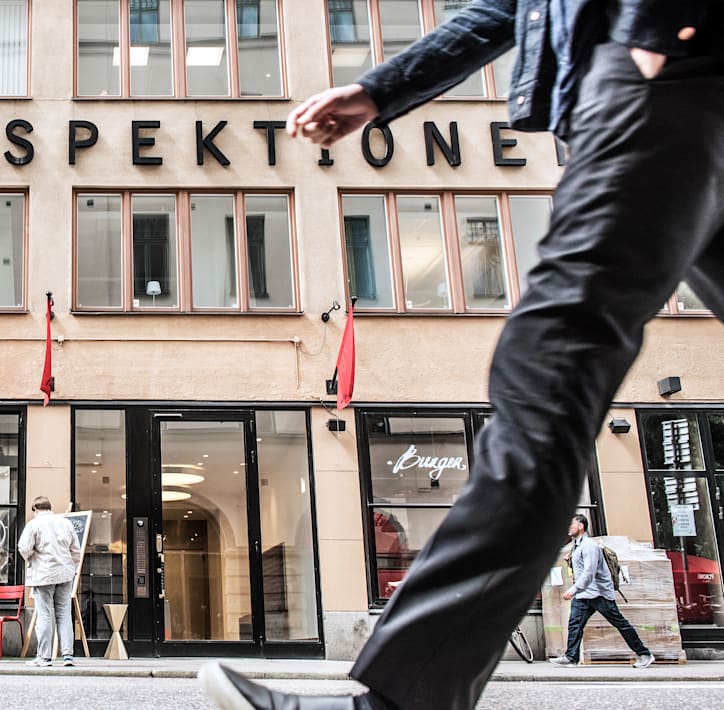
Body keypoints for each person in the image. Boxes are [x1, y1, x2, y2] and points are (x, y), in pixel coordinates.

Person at [200, 3, 722, 709]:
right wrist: (379, 91)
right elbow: (503, 10)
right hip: (662, 80)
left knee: (548, 370)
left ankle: (402, 701)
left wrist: (653, 41)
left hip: (662, 76)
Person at [549, 514, 653, 668]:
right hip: (584, 594)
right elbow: (581, 569)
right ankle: (571, 657)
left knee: (620, 624)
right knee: (575, 624)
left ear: (581, 526)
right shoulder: (577, 546)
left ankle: (644, 654)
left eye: (572, 524)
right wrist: (571, 562)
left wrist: (573, 589)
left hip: (599, 594)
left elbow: (589, 572)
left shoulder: (589, 546)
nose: (568, 527)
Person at [17, 496, 81, 668]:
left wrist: (32, 558)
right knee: (64, 614)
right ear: (49, 507)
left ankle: (44, 657)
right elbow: (76, 551)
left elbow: (23, 548)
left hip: (43, 574)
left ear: (35, 509)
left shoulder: (33, 524)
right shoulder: (66, 523)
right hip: (65, 574)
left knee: (44, 614)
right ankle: (68, 655)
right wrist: (71, 567)